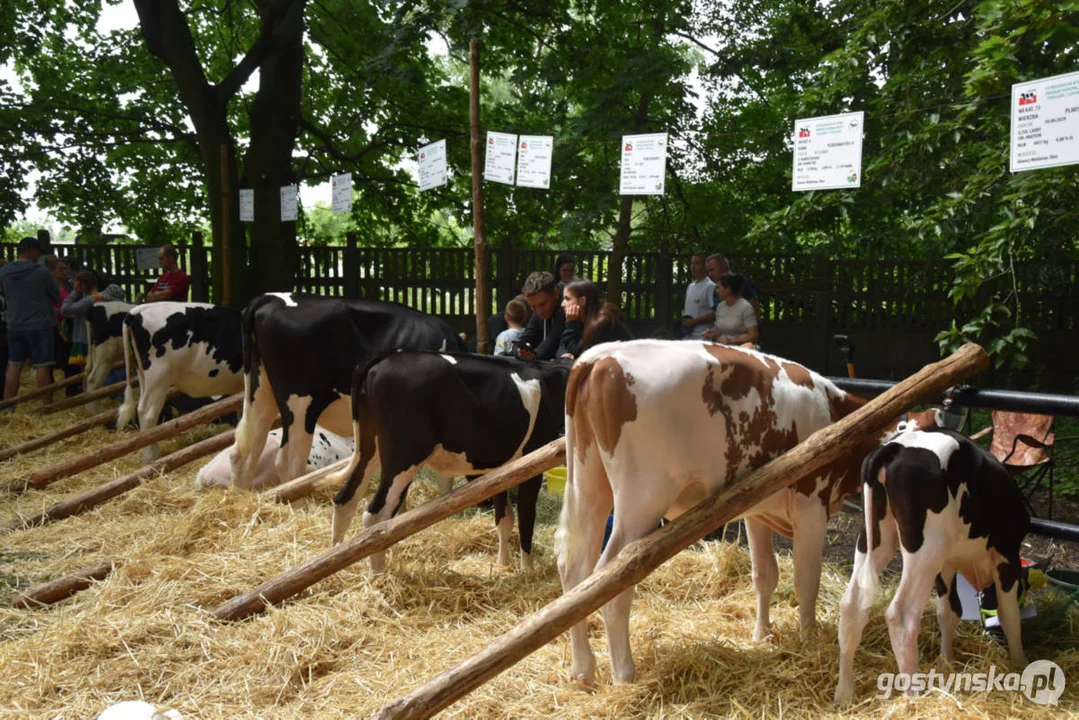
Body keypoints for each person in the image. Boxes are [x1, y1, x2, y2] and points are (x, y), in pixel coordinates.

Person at [0, 237, 61, 403]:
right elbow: (56, 297)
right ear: (32, 250)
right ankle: (46, 404)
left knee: (14, 364)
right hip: (40, 324)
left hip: (14, 324)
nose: (38, 256)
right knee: (43, 364)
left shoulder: (4, 271)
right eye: (38, 252)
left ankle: (8, 404)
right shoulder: (42, 272)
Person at [558, 279, 633, 360]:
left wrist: (570, 323)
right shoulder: (577, 317)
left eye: (567, 299)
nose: (562, 304)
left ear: (582, 301)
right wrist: (563, 353)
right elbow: (563, 343)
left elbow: (579, 353)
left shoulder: (602, 321)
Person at [61, 269, 105, 379]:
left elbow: (65, 309)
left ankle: (87, 392)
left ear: (83, 284)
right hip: (90, 338)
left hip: (85, 339)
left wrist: (74, 292)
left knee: (86, 370)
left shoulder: (89, 301)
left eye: (77, 283)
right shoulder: (97, 297)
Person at [515, 271, 566, 361]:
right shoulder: (539, 309)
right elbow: (525, 337)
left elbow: (552, 341)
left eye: (542, 304)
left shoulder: (565, 307)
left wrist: (534, 355)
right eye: (533, 306)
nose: (539, 311)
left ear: (556, 293)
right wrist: (521, 350)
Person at [703, 273, 759, 348]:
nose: (716, 291)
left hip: (742, 350)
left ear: (728, 289)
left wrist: (731, 341)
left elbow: (754, 336)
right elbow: (718, 333)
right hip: (724, 349)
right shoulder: (720, 306)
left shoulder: (745, 307)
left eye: (718, 287)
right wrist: (711, 334)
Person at [706, 253, 759, 319]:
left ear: (723, 267)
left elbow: (754, 312)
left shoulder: (742, 283)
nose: (709, 275)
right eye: (708, 271)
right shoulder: (717, 290)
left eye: (712, 270)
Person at [681, 253, 716, 339]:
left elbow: (716, 314)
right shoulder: (690, 286)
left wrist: (693, 322)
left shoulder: (710, 286)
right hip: (688, 335)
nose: (693, 266)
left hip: (703, 336)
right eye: (692, 263)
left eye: (697, 264)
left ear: (705, 266)